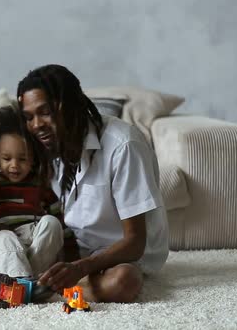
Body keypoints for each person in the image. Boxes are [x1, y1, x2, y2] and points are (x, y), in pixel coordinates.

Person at [16, 64, 169, 303]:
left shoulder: (123, 145)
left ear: (69, 106)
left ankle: (49, 287)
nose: (36, 125)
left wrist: (80, 268)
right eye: (29, 117)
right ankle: (53, 283)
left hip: (123, 256)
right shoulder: (48, 145)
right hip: (78, 251)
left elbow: (135, 242)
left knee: (123, 283)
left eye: (45, 112)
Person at [0, 106, 65, 295]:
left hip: (34, 242)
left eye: (22, 159)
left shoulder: (41, 185)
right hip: (6, 246)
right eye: (7, 158)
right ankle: (19, 282)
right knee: (4, 236)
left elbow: (60, 225)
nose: (14, 165)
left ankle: (26, 283)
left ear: (34, 157)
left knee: (52, 223)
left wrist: (72, 260)